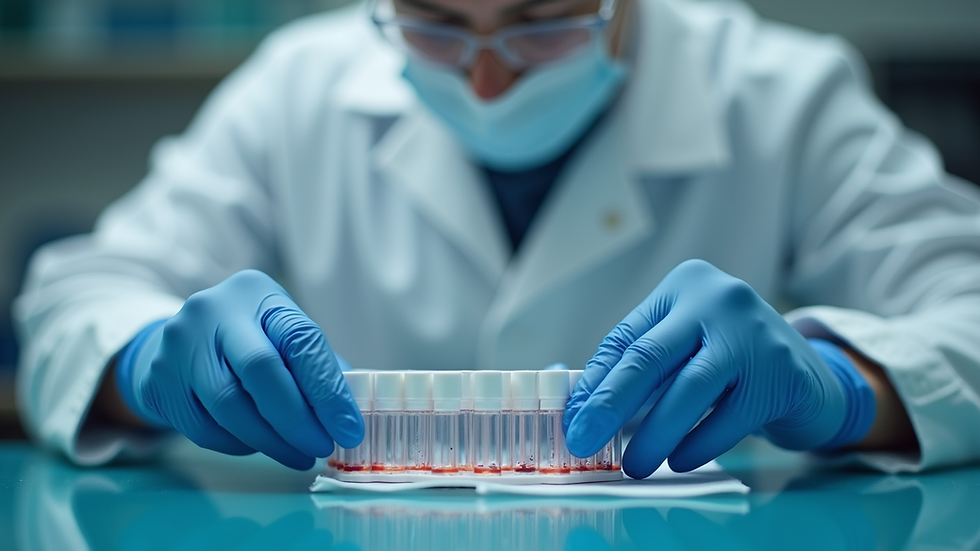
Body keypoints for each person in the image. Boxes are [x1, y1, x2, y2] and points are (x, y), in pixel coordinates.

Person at [14, 0, 980, 477]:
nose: (486, 82)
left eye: (542, 25)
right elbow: (74, 299)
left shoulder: (784, 94)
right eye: (436, 28)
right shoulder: (298, 88)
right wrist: (141, 361)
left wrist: (845, 386)